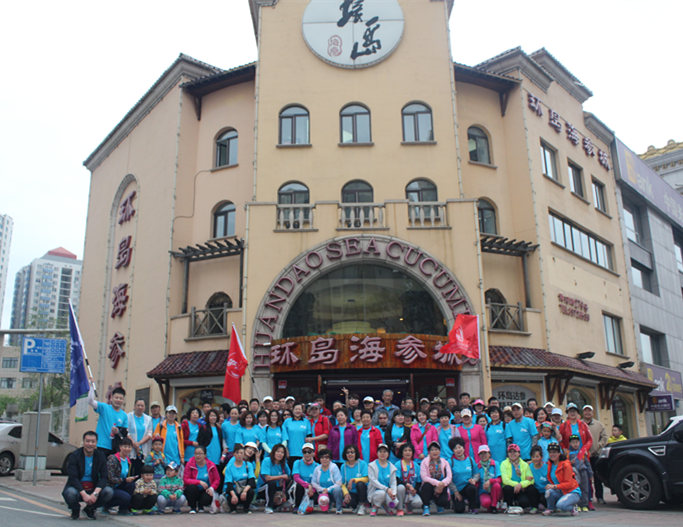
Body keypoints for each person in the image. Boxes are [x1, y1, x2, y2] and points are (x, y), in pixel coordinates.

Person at [62, 430, 113, 520]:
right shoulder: (74, 456)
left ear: (96, 443)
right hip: (78, 488)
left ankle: (90, 509)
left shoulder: (100, 456)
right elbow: (73, 478)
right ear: (83, 442)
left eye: (93, 442)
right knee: (70, 493)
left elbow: (104, 477)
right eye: (87, 441)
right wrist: (84, 494)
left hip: (93, 488)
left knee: (108, 491)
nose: (90, 444)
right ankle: (75, 509)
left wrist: (95, 494)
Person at [88, 384, 128, 456]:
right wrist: (91, 386)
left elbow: (124, 433)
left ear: (123, 400)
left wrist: (118, 431)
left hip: (115, 448)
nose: (118, 400)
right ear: (111, 398)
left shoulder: (124, 415)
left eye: (121, 398)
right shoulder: (104, 407)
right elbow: (90, 401)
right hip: (101, 445)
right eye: (116, 397)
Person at [543, 442, 580, 516]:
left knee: (560, 506)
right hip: (560, 491)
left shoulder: (566, 464)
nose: (552, 454)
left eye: (554, 452)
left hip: (571, 492)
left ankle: (573, 507)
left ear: (559, 453)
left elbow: (569, 484)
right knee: (548, 492)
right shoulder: (550, 463)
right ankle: (550, 508)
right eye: (550, 452)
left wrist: (554, 486)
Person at [500, 443, 539, 511]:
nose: (512, 454)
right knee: (507, 488)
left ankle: (534, 507)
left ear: (519, 453)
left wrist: (521, 484)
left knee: (530, 489)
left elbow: (531, 480)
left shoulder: (524, 464)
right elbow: (505, 480)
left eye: (515, 451)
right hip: (511, 488)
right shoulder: (504, 464)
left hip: (522, 489)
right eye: (510, 452)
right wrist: (516, 484)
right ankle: (509, 506)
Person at [582, 404, 608, 505]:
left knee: (597, 477)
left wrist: (598, 446)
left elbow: (604, 437)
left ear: (592, 413)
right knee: (585, 478)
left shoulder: (598, 424)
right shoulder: (580, 424)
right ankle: (587, 497)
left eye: (589, 411)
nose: (587, 413)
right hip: (583, 456)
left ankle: (600, 497)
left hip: (595, 455)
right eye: (585, 411)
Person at [184, 445, 220, 513]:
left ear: (205, 455)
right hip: (195, 489)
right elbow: (186, 479)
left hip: (205, 489)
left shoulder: (211, 465)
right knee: (191, 488)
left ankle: (201, 506)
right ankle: (193, 507)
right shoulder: (189, 464)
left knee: (208, 495)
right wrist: (199, 482)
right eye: (196, 454)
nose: (198, 456)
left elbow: (217, 479)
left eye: (200, 454)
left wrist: (212, 488)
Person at [419, 441, 452, 516]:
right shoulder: (424, 462)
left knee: (443, 501)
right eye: (432, 450)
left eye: (436, 449)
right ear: (429, 452)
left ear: (440, 451)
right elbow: (424, 477)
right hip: (430, 485)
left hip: (441, 485)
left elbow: (449, 476)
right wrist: (437, 483)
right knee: (426, 486)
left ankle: (439, 505)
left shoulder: (444, 462)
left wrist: (442, 484)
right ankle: (426, 506)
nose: (434, 452)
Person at [105, 437, 136, 515]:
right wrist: (124, 480)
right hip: (110, 486)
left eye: (129, 447)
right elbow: (110, 477)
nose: (127, 449)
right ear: (120, 447)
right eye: (125, 446)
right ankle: (105, 505)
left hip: (120, 485)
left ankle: (123, 509)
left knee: (132, 485)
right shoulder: (113, 459)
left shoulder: (128, 460)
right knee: (126, 497)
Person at [223, 443, 256, 513]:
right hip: (234, 490)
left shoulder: (249, 465)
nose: (239, 455)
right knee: (230, 496)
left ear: (244, 454)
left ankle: (246, 508)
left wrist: (244, 491)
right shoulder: (229, 467)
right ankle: (233, 508)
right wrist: (233, 495)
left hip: (243, 490)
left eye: (241, 453)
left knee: (250, 491)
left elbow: (252, 480)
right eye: (237, 453)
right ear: (234, 454)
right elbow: (229, 483)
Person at [449, 437, 479, 513]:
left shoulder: (470, 459)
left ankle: (472, 507)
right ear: (453, 450)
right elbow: (449, 479)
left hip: (467, 487)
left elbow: (476, 473)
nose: (458, 450)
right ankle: (456, 502)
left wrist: (474, 480)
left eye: (460, 447)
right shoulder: (450, 462)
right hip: (456, 489)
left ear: (463, 448)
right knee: (459, 510)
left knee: (472, 489)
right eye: (455, 448)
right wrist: (456, 492)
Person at [259, 444, 291, 513]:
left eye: (282, 452)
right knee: (271, 483)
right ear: (273, 452)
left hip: (277, 487)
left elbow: (288, 475)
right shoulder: (267, 460)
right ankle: (268, 506)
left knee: (290, 482)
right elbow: (267, 478)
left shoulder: (283, 463)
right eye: (278, 451)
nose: (280, 454)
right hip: (263, 488)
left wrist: (283, 479)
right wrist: (281, 477)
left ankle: (281, 503)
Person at [367, 443, 398, 516]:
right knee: (381, 494)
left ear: (388, 453)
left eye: (384, 452)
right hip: (376, 492)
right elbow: (373, 481)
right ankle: (375, 507)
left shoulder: (392, 467)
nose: (382, 454)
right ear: (377, 453)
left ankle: (387, 507)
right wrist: (386, 489)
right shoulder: (372, 466)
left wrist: (393, 493)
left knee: (394, 502)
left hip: (388, 492)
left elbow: (393, 482)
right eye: (380, 451)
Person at [311, 448, 344, 513]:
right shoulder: (317, 469)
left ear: (330, 459)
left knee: (338, 489)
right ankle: (326, 505)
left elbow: (339, 483)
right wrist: (322, 489)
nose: (324, 459)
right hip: (321, 492)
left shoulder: (334, 467)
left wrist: (328, 489)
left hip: (332, 492)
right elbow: (313, 482)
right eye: (322, 457)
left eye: (326, 457)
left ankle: (339, 508)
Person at [394, 443, 422, 516]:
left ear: (412, 453)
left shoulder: (416, 465)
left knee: (418, 503)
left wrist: (415, 490)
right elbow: (396, 479)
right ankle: (400, 508)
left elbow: (419, 481)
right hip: (401, 491)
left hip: (411, 492)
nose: (407, 452)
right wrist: (407, 485)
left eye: (409, 450)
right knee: (400, 487)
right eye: (405, 450)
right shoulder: (398, 464)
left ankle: (409, 505)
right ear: (402, 453)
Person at [340, 445, 368, 515]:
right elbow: (342, 483)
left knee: (360, 484)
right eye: (348, 452)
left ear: (356, 453)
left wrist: (353, 480)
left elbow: (366, 479)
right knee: (349, 499)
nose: (350, 454)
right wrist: (346, 494)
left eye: (352, 452)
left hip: (362, 491)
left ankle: (362, 505)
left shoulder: (362, 464)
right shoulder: (343, 466)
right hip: (351, 492)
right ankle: (355, 507)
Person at [567, 434, 592, 511]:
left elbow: (587, 463)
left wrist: (590, 473)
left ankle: (584, 504)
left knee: (585, 488)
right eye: (573, 442)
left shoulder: (582, 452)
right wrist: (570, 463)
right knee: (576, 489)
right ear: (570, 443)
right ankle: (577, 504)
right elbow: (566, 464)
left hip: (583, 471)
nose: (575, 444)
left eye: (577, 442)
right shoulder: (568, 453)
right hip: (574, 473)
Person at [283, 403, 312, 467]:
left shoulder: (306, 422)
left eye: (299, 409)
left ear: (302, 411)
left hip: (303, 453)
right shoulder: (287, 422)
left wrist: (309, 452)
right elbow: (284, 437)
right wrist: (286, 450)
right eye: (296, 409)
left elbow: (309, 438)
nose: (297, 411)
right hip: (290, 453)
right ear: (292, 410)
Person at [127, 399, 152, 474]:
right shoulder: (128, 416)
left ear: (144, 407)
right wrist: (134, 444)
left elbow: (149, 434)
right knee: (130, 471)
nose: (140, 407)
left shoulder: (148, 419)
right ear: (134, 406)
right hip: (131, 448)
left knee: (141, 472)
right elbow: (126, 432)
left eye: (142, 406)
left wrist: (139, 443)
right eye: (138, 405)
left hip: (143, 449)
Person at [292, 442, 319, 508]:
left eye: (309, 452)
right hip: (300, 487)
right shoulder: (297, 463)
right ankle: (296, 506)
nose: (307, 454)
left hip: (312, 489)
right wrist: (308, 485)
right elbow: (296, 478)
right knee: (299, 486)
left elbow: (317, 481)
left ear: (313, 453)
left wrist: (312, 489)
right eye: (305, 452)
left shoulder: (317, 466)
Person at [476, 445, 502, 513]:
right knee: (486, 503)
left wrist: (490, 481)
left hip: (495, 489)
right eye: (481, 453)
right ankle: (489, 505)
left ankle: (494, 506)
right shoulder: (477, 466)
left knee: (496, 485)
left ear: (489, 454)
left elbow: (499, 479)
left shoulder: (495, 464)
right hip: (483, 491)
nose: (483, 455)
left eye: (485, 453)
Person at [528, 445, 549, 510]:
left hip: (545, 491)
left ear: (541, 457)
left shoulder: (547, 467)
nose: (535, 459)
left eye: (537, 456)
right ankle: (534, 507)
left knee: (544, 499)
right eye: (533, 457)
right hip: (535, 492)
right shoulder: (529, 466)